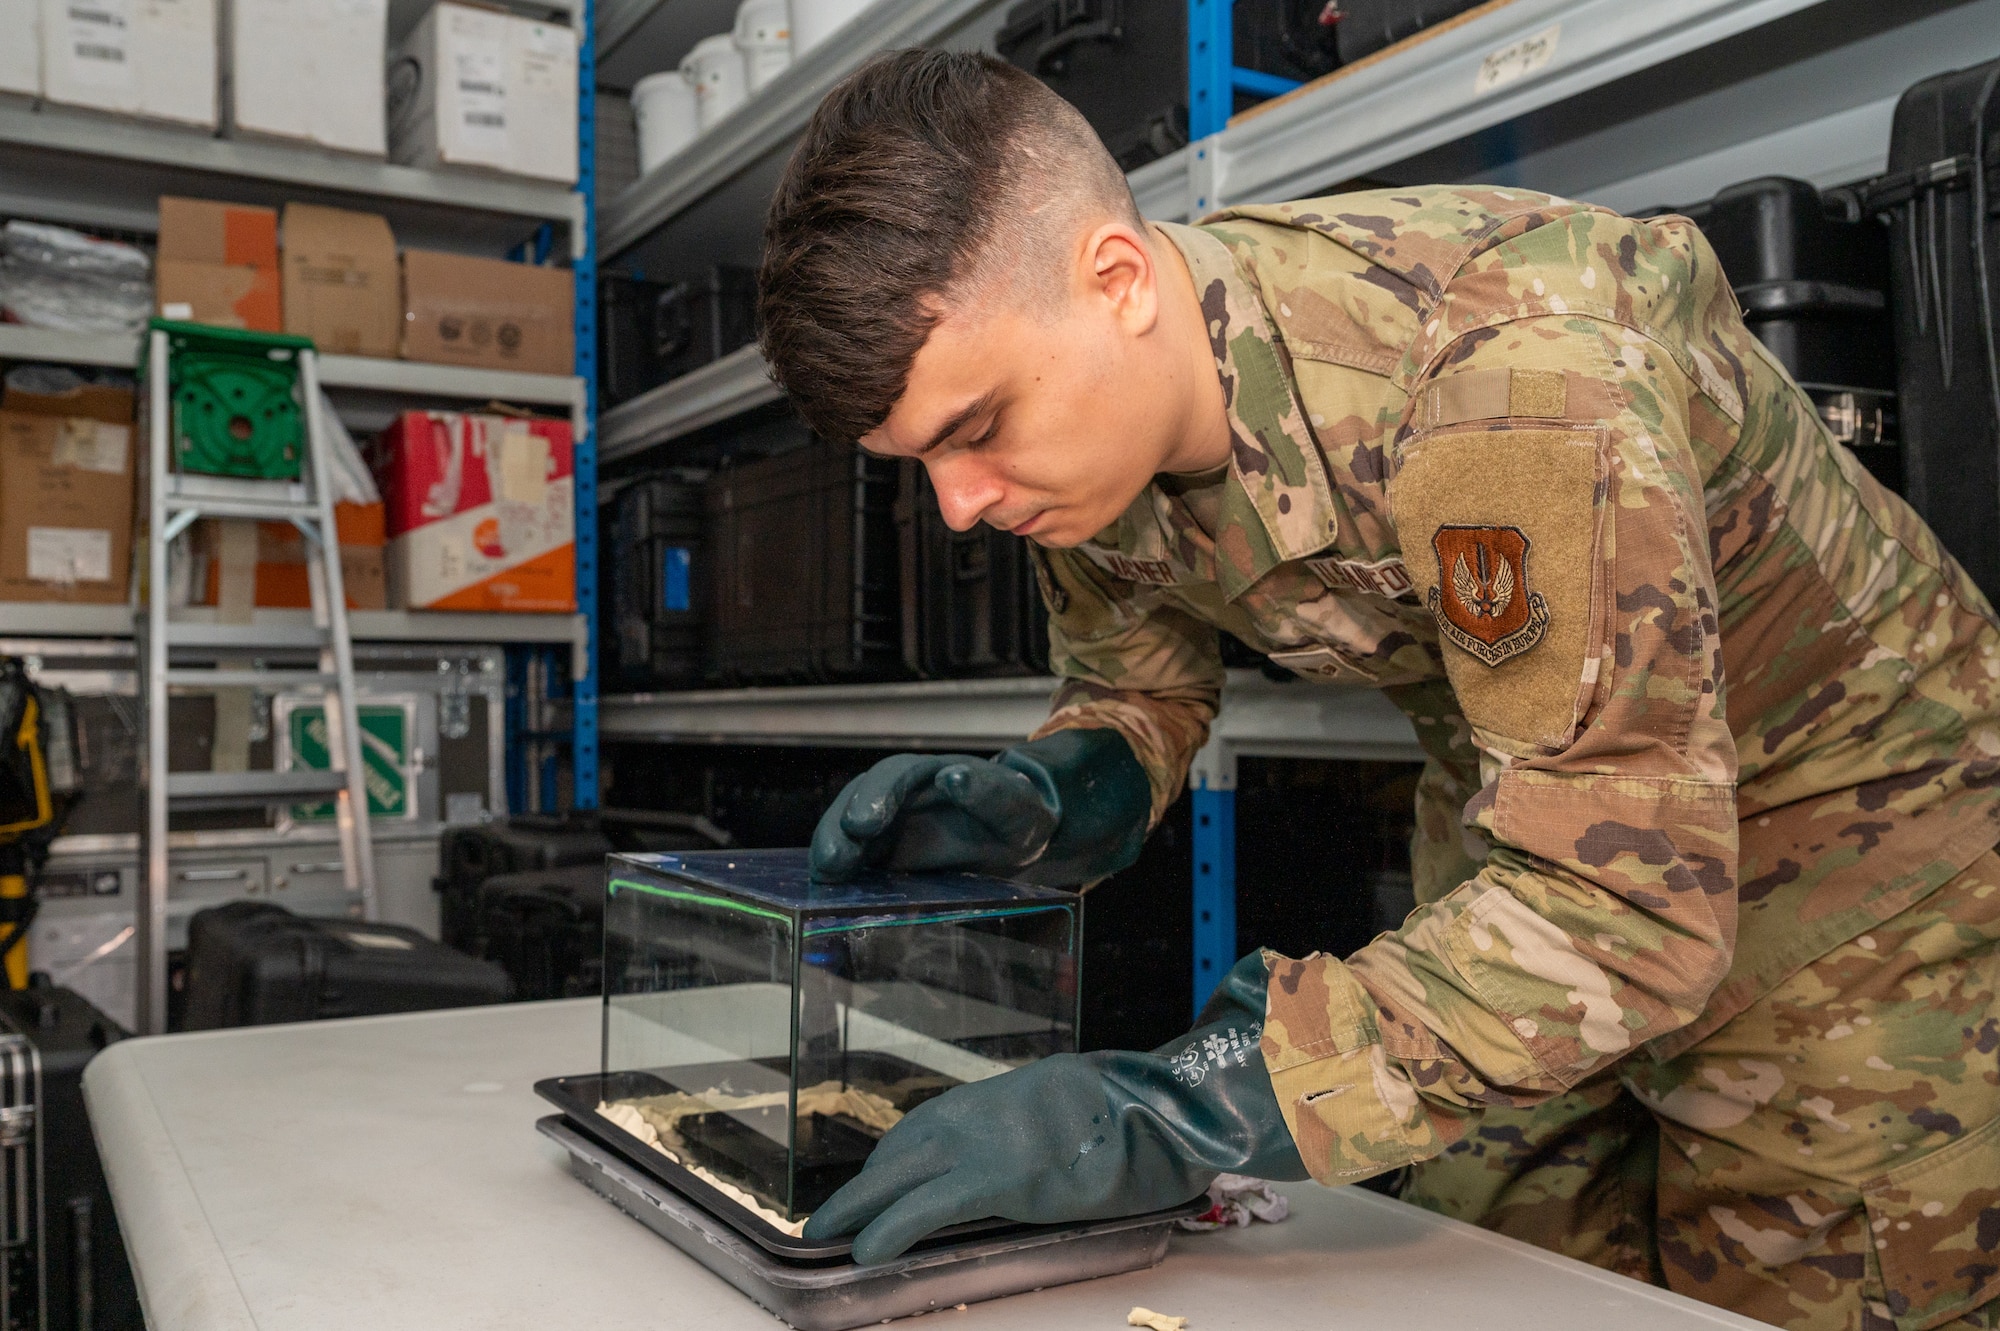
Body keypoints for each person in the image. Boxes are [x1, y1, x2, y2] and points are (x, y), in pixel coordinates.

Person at [755, 48, 2000, 1331]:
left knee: (1778, 1295)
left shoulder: (1502, 382)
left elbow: (1626, 908)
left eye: (971, 430)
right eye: (919, 461)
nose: (959, 506)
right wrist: (1048, 793)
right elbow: (1137, 686)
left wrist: (1174, 1101)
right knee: (1476, 1275)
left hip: (1860, 859)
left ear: (1115, 279)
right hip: (1539, 831)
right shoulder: (1089, 437)